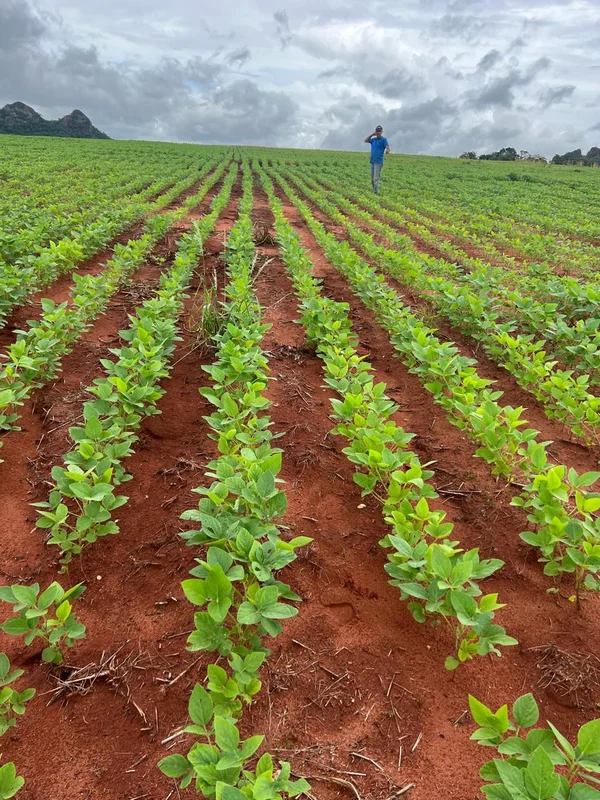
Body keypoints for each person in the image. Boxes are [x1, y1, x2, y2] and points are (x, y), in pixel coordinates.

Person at [364, 125, 390, 194]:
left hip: (378, 162)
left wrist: (387, 151)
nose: (378, 133)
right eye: (377, 131)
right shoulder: (373, 140)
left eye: (379, 131)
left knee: (376, 178)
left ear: (382, 132)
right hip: (372, 161)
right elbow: (365, 140)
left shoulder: (384, 140)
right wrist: (372, 134)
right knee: (372, 179)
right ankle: (374, 191)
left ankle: (376, 192)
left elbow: (387, 147)